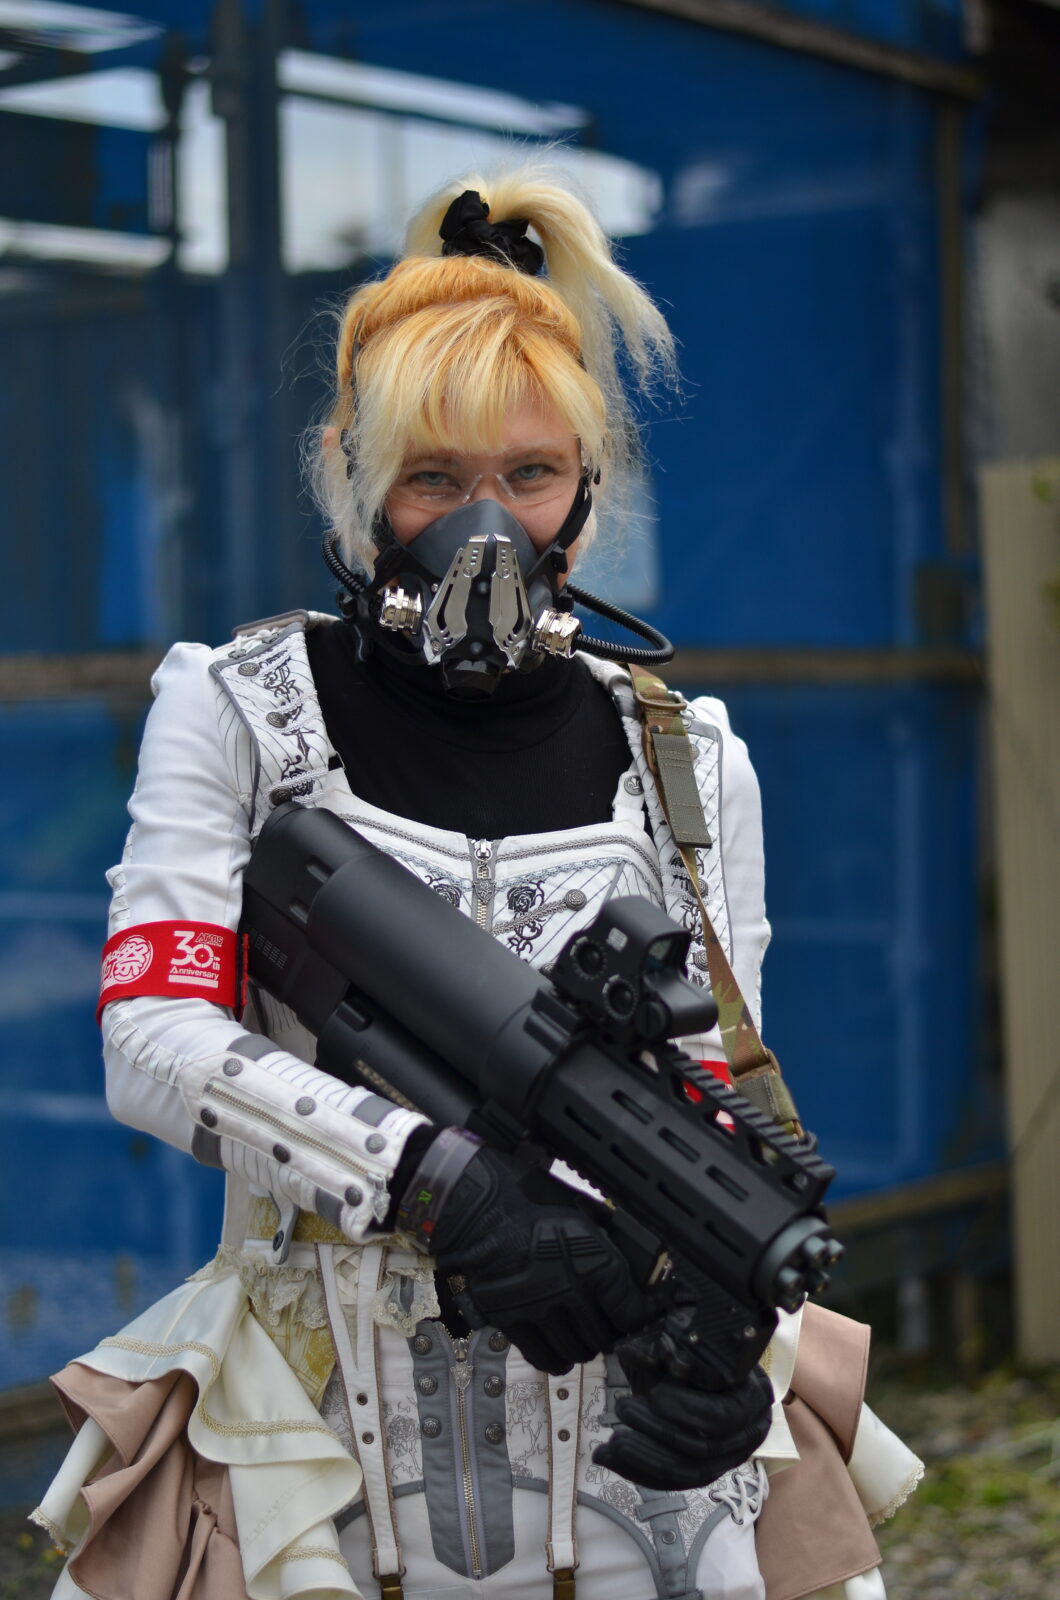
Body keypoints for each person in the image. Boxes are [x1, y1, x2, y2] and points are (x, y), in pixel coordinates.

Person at [33, 168, 921, 1600]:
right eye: (434, 479)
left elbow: (712, 1087)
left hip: (630, 1473)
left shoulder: (687, 757)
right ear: (353, 471)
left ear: (591, 484)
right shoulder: (242, 707)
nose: (485, 524)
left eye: (530, 476)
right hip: (310, 1460)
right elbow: (151, 1041)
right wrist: (431, 1179)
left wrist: (715, 1342)